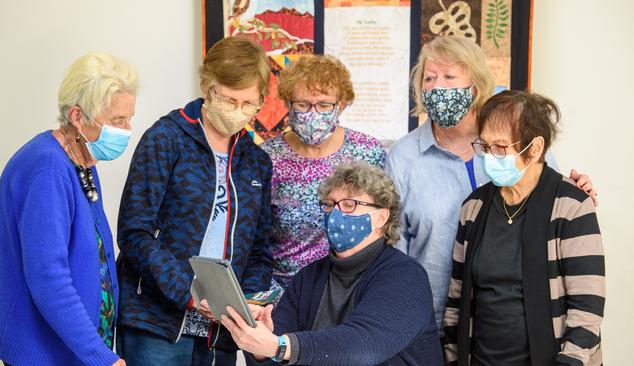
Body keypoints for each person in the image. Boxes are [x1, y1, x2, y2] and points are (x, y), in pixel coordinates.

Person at [385, 35, 597, 331]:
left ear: (475, 85)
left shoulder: (512, 138)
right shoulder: (403, 156)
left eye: (449, 76)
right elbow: (394, 247)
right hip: (429, 319)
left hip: (510, 318)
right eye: (429, 78)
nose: (437, 87)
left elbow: (550, 196)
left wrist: (576, 191)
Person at [115, 36, 273, 366]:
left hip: (222, 331)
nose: (238, 112)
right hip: (155, 324)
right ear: (207, 86)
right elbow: (135, 233)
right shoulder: (166, 139)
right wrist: (190, 292)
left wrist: (252, 302)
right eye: (229, 100)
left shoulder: (257, 162)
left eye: (249, 105)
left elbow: (259, 250)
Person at [0, 52, 138, 366]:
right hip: (45, 353)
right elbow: (48, 276)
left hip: (72, 347)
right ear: (77, 116)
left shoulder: (81, 157)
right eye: (117, 120)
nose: (127, 129)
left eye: (129, 118)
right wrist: (100, 356)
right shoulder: (47, 169)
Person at [221, 163, 442, 366]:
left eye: (349, 204)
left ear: (381, 218)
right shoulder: (309, 277)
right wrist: (262, 347)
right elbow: (278, 350)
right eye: (329, 205)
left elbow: (364, 346)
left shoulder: (405, 276)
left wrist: (280, 346)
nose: (336, 213)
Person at [442, 90, 604, 365]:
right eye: (485, 146)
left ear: (535, 149)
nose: (490, 156)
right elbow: (456, 300)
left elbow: (586, 309)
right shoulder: (473, 208)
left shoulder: (572, 205)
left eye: (501, 147)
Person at [261, 55, 386, 296]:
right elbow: (255, 239)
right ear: (288, 103)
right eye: (303, 104)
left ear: (342, 103)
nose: (313, 113)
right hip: (281, 292)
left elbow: (381, 228)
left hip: (348, 290)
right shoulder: (267, 158)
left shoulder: (367, 152)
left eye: (324, 105)